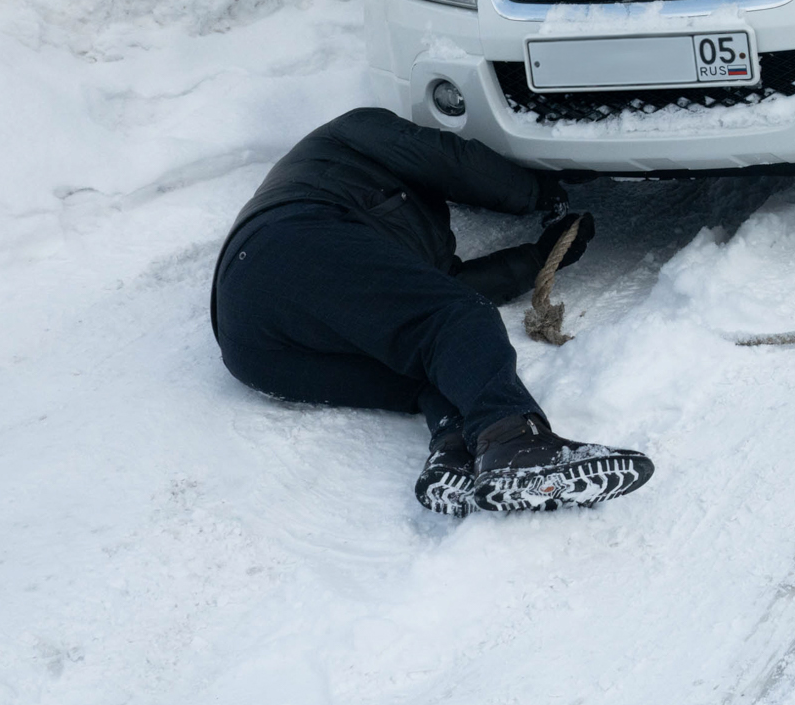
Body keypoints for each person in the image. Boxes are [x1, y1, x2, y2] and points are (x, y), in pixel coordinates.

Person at [209, 107, 654, 518]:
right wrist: (539, 188)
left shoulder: (386, 237)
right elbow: (451, 160)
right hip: (290, 243)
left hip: (254, 349)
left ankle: (456, 452)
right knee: (459, 321)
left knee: (439, 361)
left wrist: (536, 258)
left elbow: (440, 295)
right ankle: (516, 443)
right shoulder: (353, 130)